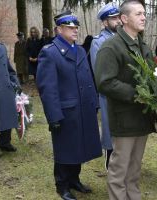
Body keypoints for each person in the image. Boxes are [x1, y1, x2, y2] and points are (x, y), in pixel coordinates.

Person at [36, 11, 102, 200]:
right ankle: (62, 185)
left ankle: (74, 179)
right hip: (65, 111)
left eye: (76, 27)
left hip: (83, 107)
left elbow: (88, 78)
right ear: (59, 30)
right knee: (65, 149)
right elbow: (47, 88)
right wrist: (54, 116)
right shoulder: (50, 52)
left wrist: (94, 102)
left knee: (79, 146)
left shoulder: (79, 49)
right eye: (70, 28)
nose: (75, 31)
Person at [94, 0, 156, 199]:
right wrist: (137, 94)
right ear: (124, 18)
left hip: (142, 117)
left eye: (144, 13)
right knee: (120, 168)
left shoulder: (142, 46)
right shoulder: (111, 47)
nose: (144, 17)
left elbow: (152, 77)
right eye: (138, 13)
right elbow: (105, 82)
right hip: (124, 117)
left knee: (135, 166)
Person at [90, 2, 121, 171]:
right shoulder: (98, 42)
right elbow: (99, 72)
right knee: (110, 127)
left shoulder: (124, 37)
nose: (117, 21)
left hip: (124, 92)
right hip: (108, 94)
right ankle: (110, 162)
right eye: (113, 18)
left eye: (118, 17)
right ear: (104, 22)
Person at [0, 42, 21, 153]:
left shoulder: (1, 47)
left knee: (7, 116)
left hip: (5, 89)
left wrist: (15, 84)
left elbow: (9, 69)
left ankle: (5, 142)